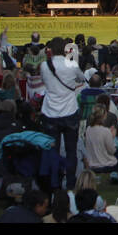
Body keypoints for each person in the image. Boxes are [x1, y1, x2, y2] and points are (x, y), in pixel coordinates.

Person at [39, 37, 86, 189]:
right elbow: (81, 78)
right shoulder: (70, 64)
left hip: (50, 113)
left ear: (50, 50)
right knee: (71, 151)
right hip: (69, 111)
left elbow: (46, 82)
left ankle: (55, 183)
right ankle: (70, 183)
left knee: (53, 151)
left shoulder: (44, 66)